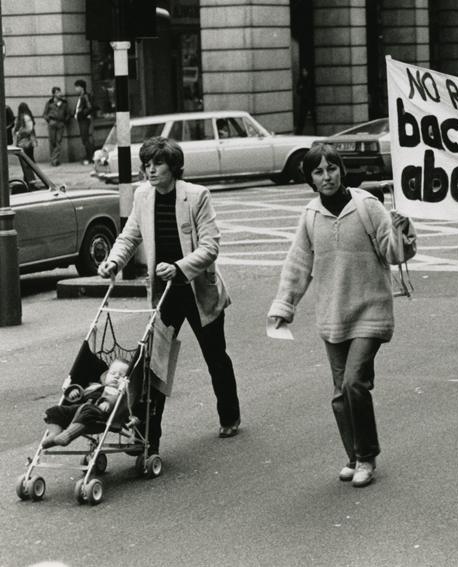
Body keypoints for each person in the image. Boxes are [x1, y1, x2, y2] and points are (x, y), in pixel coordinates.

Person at [267, 143, 416, 488]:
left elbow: (394, 254)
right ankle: (352, 456)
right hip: (333, 315)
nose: (327, 176)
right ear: (310, 179)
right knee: (340, 394)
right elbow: (298, 264)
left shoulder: (367, 207)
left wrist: (403, 230)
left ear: (341, 170)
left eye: (332, 168)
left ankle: (366, 457)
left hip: (371, 310)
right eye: (318, 171)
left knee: (353, 383)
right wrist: (283, 307)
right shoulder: (310, 216)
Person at [97, 136, 242, 455]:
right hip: (164, 295)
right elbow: (129, 235)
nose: (150, 171)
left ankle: (229, 415)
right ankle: (148, 438)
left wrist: (178, 267)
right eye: (146, 165)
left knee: (215, 356)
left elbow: (210, 247)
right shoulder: (143, 197)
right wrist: (113, 261)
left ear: (173, 167)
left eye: (157, 164)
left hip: (198, 290)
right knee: (154, 364)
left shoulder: (197, 196)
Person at [42, 360, 130, 448]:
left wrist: (107, 402)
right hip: (80, 410)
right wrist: (74, 392)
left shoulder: (121, 393)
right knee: (56, 410)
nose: (116, 377)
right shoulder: (96, 386)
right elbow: (84, 394)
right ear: (106, 375)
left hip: (99, 417)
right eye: (113, 373)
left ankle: (67, 436)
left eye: (121, 375)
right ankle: (54, 435)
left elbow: (117, 401)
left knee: (89, 410)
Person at [42, 86, 70, 166]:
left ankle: (54, 159)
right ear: (54, 94)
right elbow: (44, 113)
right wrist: (48, 120)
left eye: (60, 92)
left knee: (58, 141)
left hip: (60, 123)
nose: (59, 94)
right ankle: (53, 158)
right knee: (52, 141)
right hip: (52, 122)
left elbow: (68, 113)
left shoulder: (64, 103)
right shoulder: (50, 103)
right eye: (57, 92)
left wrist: (65, 120)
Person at [74, 79, 95, 165]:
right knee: (84, 138)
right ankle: (89, 156)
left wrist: (82, 114)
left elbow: (89, 107)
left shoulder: (85, 96)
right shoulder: (81, 96)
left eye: (76, 87)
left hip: (84, 120)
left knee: (85, 138)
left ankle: (90, 157)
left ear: (81, 87)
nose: (75, 89)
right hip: (81, 119)